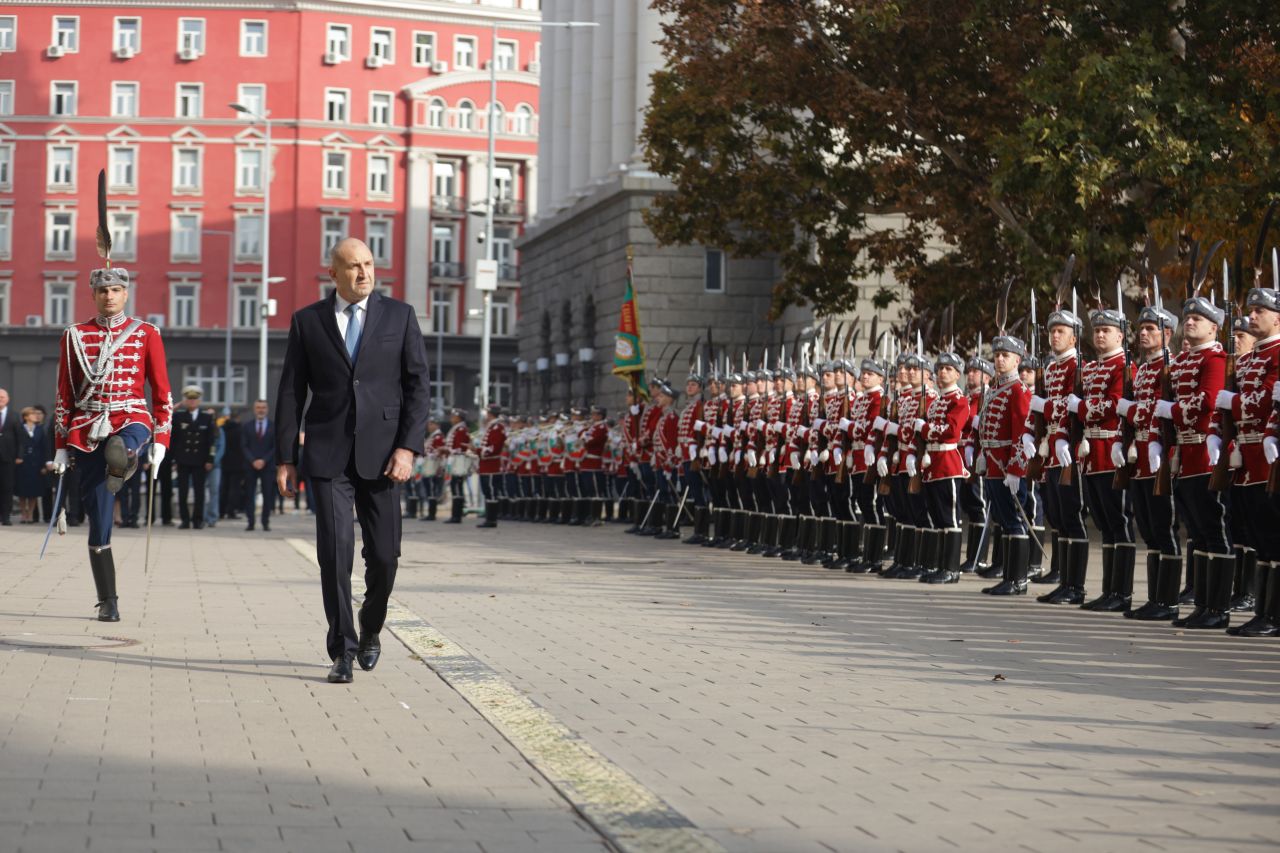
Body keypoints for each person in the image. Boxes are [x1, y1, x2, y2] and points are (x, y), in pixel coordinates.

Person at [275, 237, 430, 684]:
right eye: (353, 267)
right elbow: (291, 389)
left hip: (385, 457)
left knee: (385, 556)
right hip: (327, 454)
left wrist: (408, 447)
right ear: (333, 274)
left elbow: (418, 386)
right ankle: (341, 648)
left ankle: (370, 627)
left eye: (368, 264)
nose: (363, 273)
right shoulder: (308, 322)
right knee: (335, 552)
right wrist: (286, 457)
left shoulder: (399, 316)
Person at [50, 265, 173, 622]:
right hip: (87, 429)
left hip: (130, 417)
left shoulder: (146, 333)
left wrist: (162, 440)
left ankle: (128, 457)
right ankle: (108, 600)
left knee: (124, 443)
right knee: (99, 518)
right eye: (103, 291)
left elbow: (162, 392)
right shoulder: (74, 335)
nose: (109, 296)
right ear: (93, 295)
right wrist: (60, 445)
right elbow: (64, 393)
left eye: (116, 290)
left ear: (126, 293)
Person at [172, 386, 216, 529]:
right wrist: (174, 459)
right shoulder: (178, 416)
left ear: (199, 400)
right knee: (183, 491)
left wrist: (210, 459)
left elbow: (211, 441)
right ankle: (185, 520)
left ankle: (198, 519)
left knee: (199, 491)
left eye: (194, 399)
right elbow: (174, 440)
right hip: (183, 459)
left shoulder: (207, 417)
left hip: (200, 460)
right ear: (185, 400)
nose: (192, 401)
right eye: (189, 399)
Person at [242, 399, 276, 531]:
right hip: (250, 466)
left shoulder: (273, 426)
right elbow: (244, 445)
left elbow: (275, 447)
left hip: (267, 466)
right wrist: (253, 460)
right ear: (254, 410)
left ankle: (265, 522)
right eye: (258, 407)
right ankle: (251, 522)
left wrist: (264, 460)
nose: (261, 410)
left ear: (267, 409)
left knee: (268, 495)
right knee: (249, 494)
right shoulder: (247, 426)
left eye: (263, 407)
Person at [15, 407, 49, 523]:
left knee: (34, 491)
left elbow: (44, 448)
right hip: (22, 463)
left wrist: (44, 464)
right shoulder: (20, 428)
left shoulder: (40, 429)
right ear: (26, 417)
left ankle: (30, 514)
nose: (35, 415)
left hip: (36, 464)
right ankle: (23, 514)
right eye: (32, 414)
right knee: (22, 491)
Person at [475, 403, 507, 528]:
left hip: (492, 466)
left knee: (492, 492)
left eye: (487, 413)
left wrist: (476, 450)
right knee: (488, 492)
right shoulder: (492, 427)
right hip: (486, 466)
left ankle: (492, 520)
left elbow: (493, 448)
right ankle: (489, 518)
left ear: (490, 413)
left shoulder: (497, 427)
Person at [442, 408, 473, 524]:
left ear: (459, 417)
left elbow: (459, 449)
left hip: (458, 463)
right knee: (455, 488)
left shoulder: (460, 429)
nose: (451, 418)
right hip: (455, 462)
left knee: (456, 488)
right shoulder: (458, 428)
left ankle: (457, 515)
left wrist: (446, 449)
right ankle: (456, 515)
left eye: (453, 416)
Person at [203, 407, 225, 528]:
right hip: (202, 465)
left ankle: (212, 517)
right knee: (201, 491)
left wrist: (213, 462)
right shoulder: (202, 428)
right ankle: (201, 516)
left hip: (215, 466)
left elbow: (221, 448)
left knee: (214, 492)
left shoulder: (219, 431)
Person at [0, 388, 16, 525]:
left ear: (7, 399)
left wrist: (19, 456)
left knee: (7, 488)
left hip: (8, 458)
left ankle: (6, 516)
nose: (0, 399)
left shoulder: (14, 416)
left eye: (2, 397)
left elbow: (20, 438)